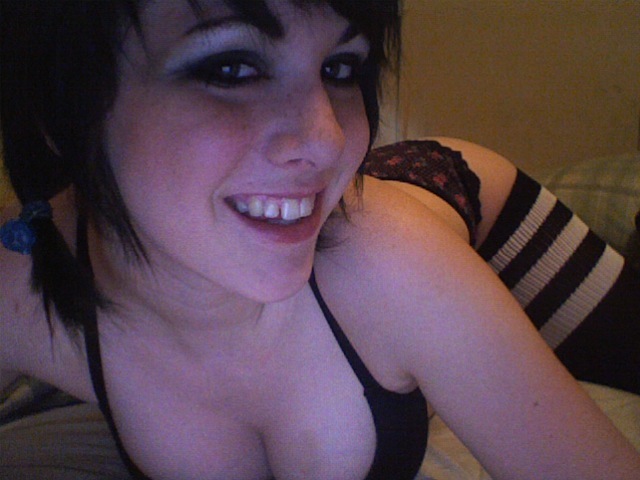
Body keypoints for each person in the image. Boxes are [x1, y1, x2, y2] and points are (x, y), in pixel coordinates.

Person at [0, 1, 639, 480]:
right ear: (63, 106)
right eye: (231, 68)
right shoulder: (22, 290)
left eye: (341, 67)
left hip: (460, 198)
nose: (329, 140)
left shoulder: (396, 267)